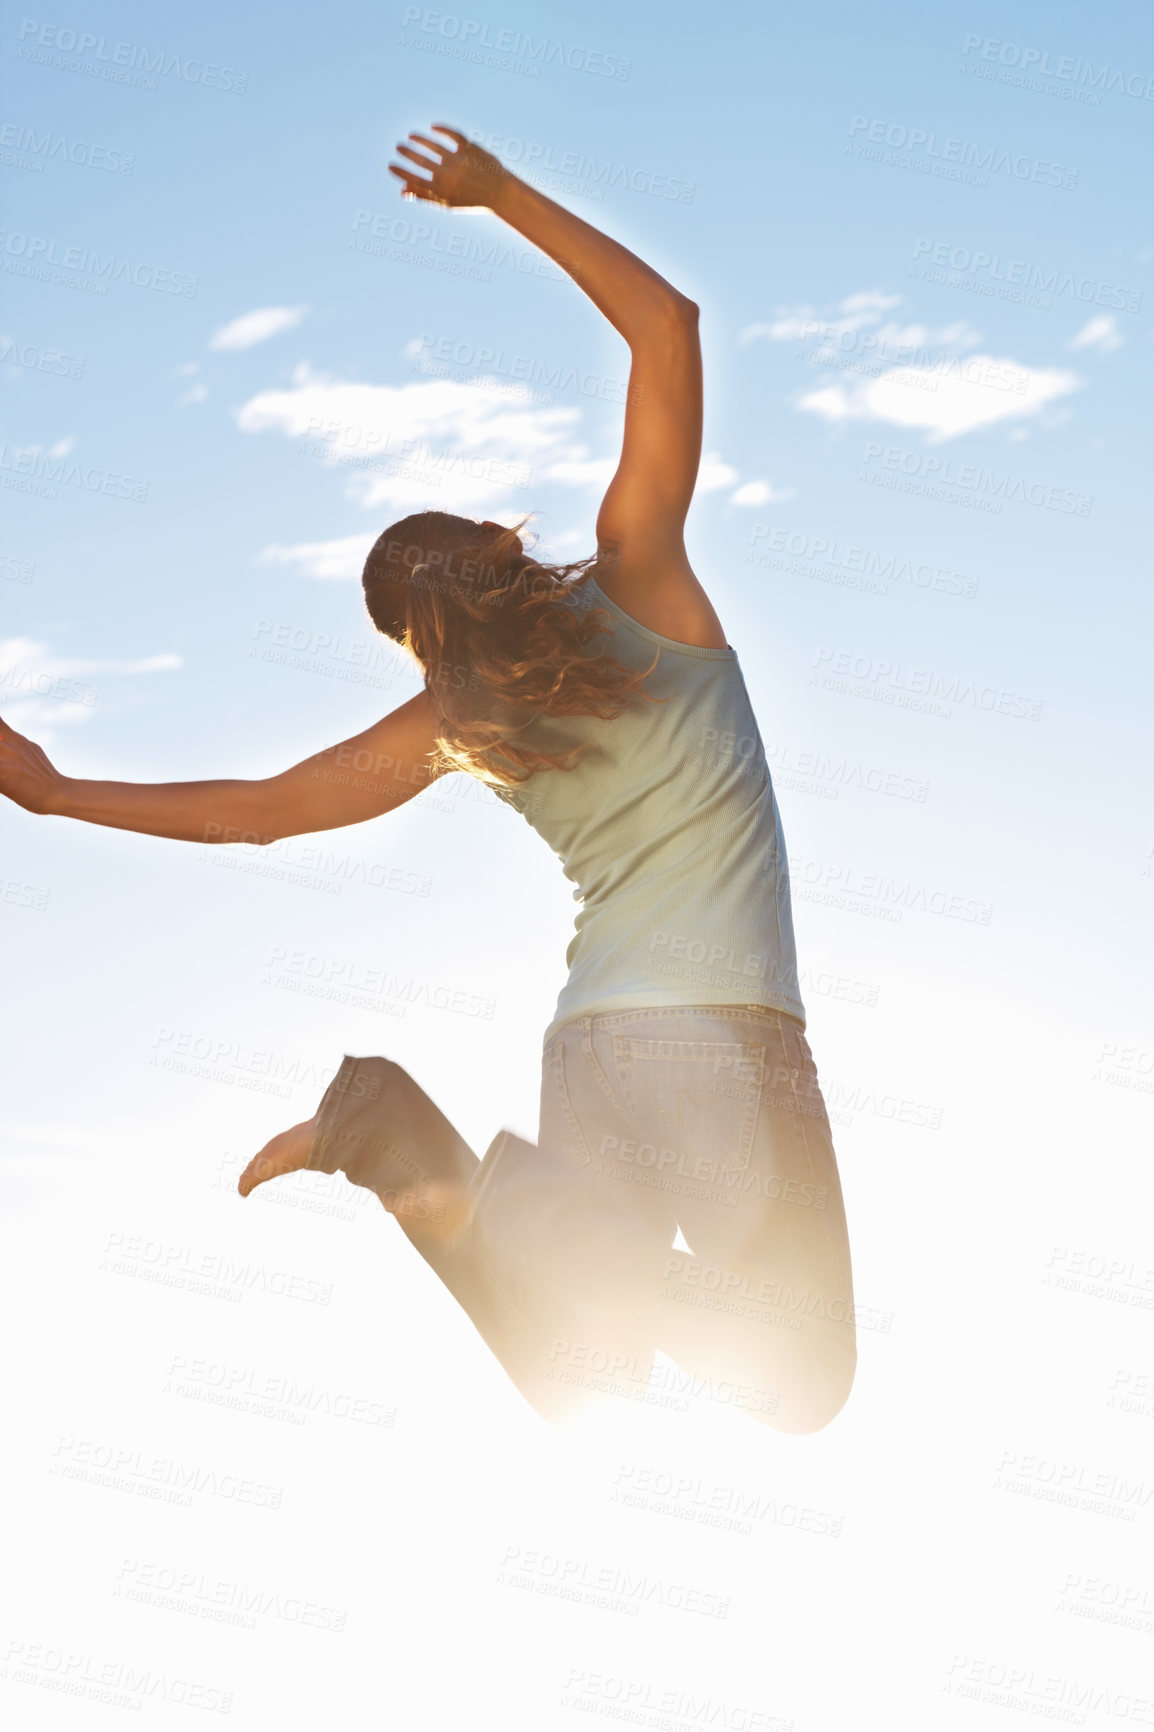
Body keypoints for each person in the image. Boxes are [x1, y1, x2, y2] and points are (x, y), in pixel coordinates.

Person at [0, 125, 855, 1434]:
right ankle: (423, 1153)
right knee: (799, 1377)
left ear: (420, 639)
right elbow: (668, 330)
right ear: (496, 548)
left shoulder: (452, 727)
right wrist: (501, 193)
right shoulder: (641, 580)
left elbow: (264, 813)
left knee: (582, 1368)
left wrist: (62, 794)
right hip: (723, 1034)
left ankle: (391, 1135)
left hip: (594, 1050)